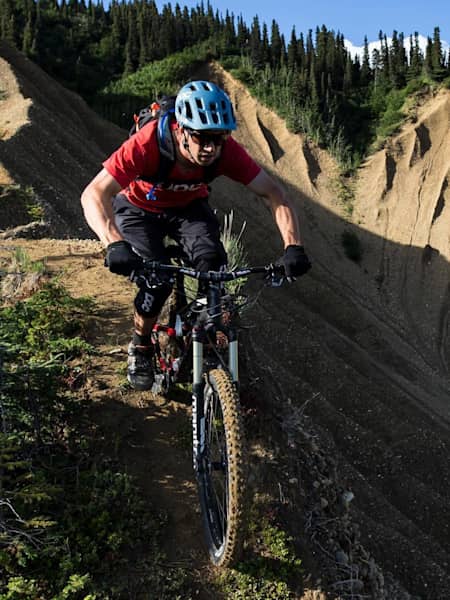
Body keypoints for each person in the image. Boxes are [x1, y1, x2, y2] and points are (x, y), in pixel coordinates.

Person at [81, 80, 311, 390]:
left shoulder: (226, 153)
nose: (210, 149)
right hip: (138, 209)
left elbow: (274, 194)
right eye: (202, 138)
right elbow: (94, 193)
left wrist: (293, 246)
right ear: (180, 129)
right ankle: (141, 344)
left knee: (213, 265)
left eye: (218, 139)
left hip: (189, 208)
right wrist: (114, 244)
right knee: (155, 280)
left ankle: (208, 339)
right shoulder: (149, 143)